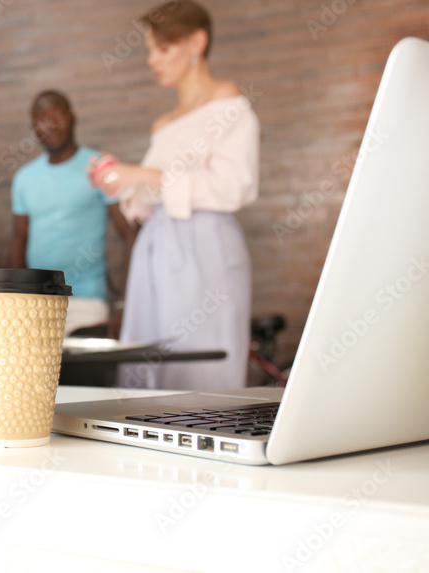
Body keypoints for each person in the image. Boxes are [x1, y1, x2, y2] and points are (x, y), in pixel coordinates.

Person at [89, 1, 259, 391]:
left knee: (200, 356)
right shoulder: (163, 123)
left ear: (196, 42)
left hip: (204, 244)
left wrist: (144, 174)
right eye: (149, 49)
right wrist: (118, 180)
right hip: (157, 247)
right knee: (150, 353)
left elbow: (234, 186)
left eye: (162, 49)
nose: (152, 59)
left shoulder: (227, 101)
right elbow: (152, 198)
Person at [11, 90, 136, 335]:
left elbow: (130, 232)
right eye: (42, 118)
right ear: (34, 127)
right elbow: (18, 239)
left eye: (58, 114)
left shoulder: (97, 166)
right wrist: (15, 303)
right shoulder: (24, 178)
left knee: (82, 373)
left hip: (87, 302)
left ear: (73, 118)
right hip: (36, 305)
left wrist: (124, 303)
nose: (51, 124)